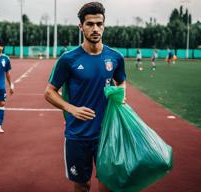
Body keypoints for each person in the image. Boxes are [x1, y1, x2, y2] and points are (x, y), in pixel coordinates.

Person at [44, 2, 126, 192]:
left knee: (108, 185)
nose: (95, 29)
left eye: (99, 24)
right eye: (90, 24)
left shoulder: (115, 57)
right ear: (80, 27)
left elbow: (120, 81)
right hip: (78, 135)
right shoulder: (68, 59)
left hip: (107, 134)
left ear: (104, 25)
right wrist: (72, 109)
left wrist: (121, 95)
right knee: (82, 185)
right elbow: (49, 92)